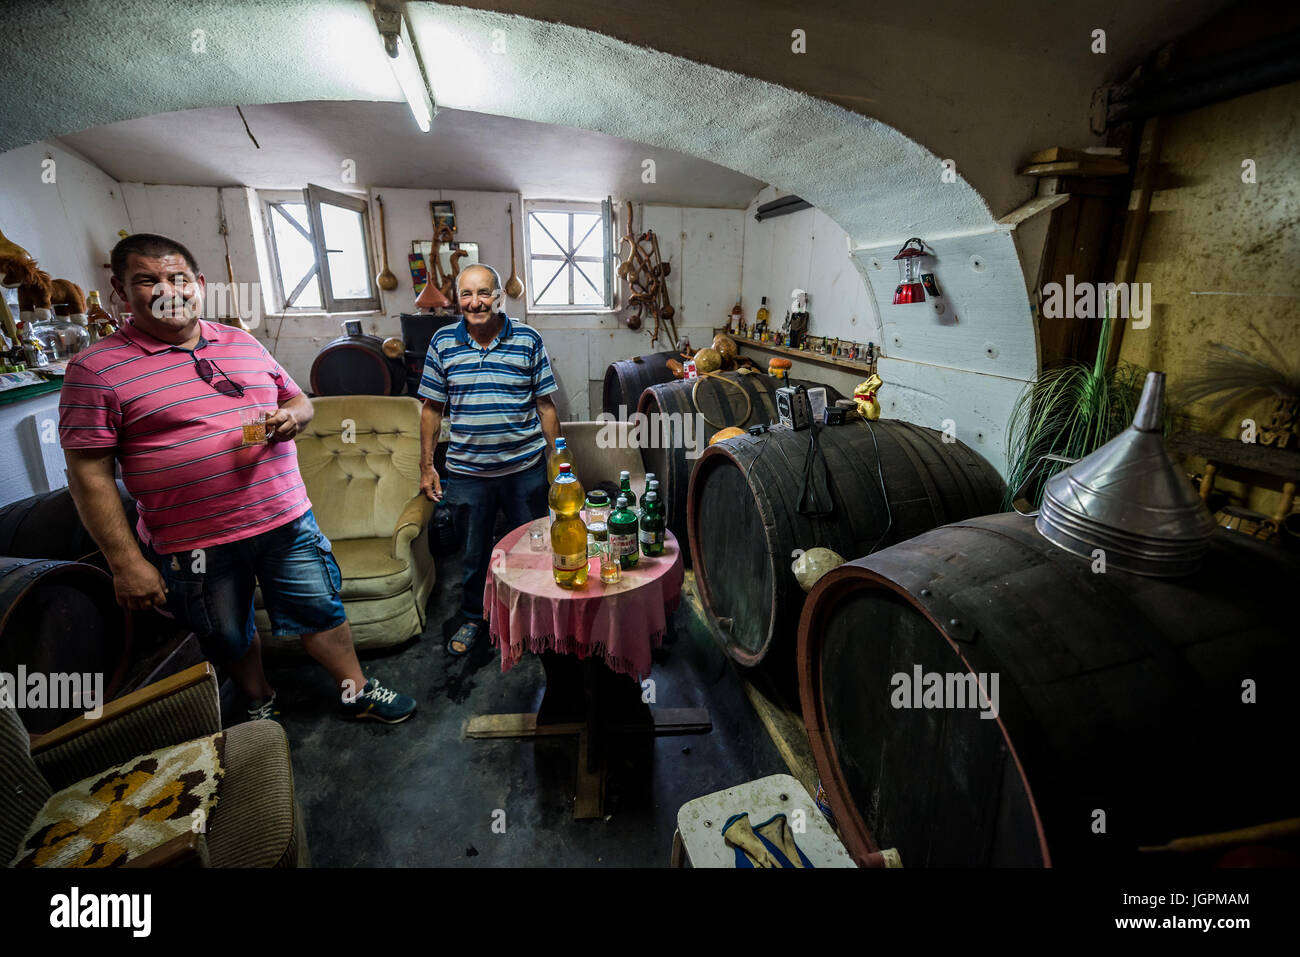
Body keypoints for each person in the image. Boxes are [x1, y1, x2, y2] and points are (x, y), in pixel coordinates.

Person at [59, 233, 416, 723]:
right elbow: (87, 472)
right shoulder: (96, 369)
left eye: (178, 278)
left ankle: (355, 688)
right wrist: (124, 563)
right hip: (194, 540)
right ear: (122, 292)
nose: (168, 289)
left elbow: (296, 398)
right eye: (147, 280)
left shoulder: (241, 342)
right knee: (225, 630)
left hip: (285, 520)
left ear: (198, 284)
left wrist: (295, 417)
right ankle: (258, 698)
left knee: (321, 608)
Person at [418, 264, 561, 655]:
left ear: (499, 296)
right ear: (457, 298)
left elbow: (545, 405)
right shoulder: (443, 343)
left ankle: (539, 617)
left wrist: (560, 457)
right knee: (474, 553)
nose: (475, 302)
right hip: (467, 473)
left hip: (524, 470)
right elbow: (431, 408)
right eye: (466, 294)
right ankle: (474, 618)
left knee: (535, 547)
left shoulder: (528, 339)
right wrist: (427, 465)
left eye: (484, 293)